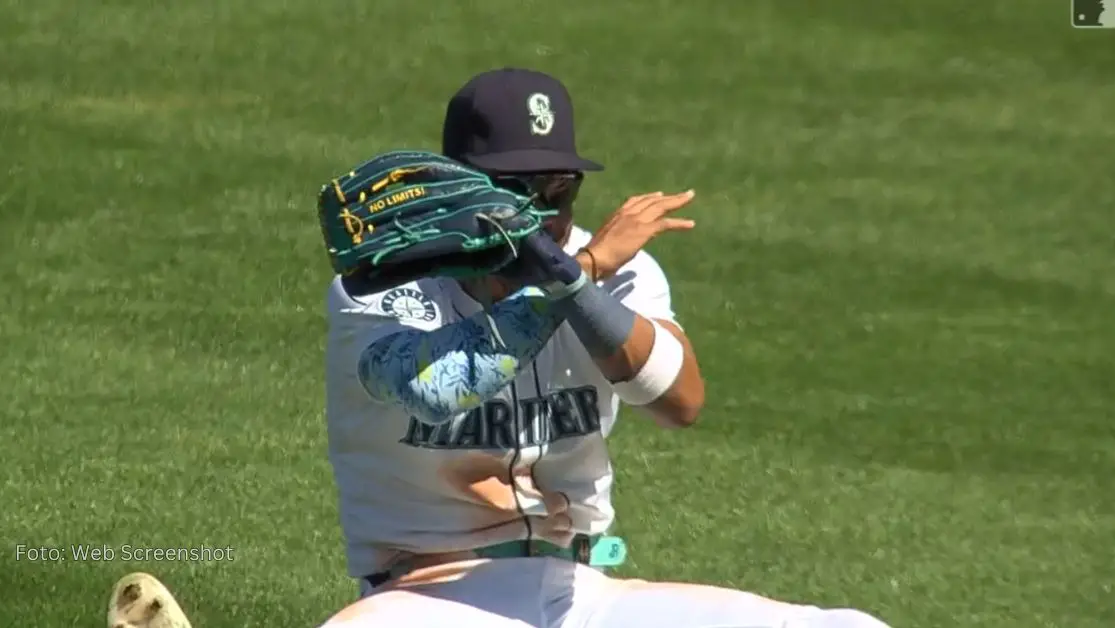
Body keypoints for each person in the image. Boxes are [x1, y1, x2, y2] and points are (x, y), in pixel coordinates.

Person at [103, 69, 892, 628]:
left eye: (560, 190)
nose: (546, 212)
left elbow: (680, 402)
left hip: (584, 592)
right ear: (460, 185)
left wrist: (574, 278)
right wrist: (571, 274)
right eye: (521, 191)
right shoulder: (379, 289)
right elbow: (439, 386)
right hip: (426, 597)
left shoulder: (612, 270)